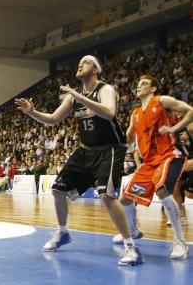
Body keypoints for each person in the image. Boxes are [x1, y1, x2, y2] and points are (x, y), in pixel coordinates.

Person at [15, 55, 142, 266]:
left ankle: (132, 248)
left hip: (110, 149)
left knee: (107, 196)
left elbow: (110, 113)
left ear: (96, 70)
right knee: (58, 190)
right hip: (85, 150)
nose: (80, 64)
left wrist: (79, 97)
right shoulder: (74, 97)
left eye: (86, 62)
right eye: (80, 62)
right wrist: (32, 112)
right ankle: (63, 232)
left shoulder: (105, 89)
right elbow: (53, 119)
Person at [117, 76, 192, 259]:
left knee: (162, 189)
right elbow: (126, 138)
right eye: (138, 83)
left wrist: (175, 129)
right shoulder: (135, 113)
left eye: (143, 83)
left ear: (153, 89)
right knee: (125, 199)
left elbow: (190, 111)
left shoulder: (162, 101)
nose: (138, 85)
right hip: (149, 162)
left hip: (170, 154)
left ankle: (180, 241)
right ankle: (133, 230)